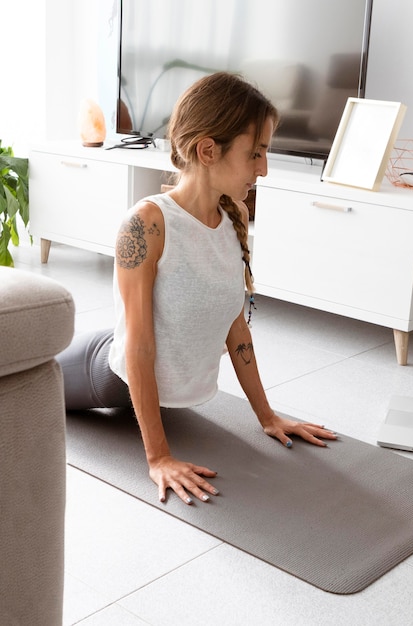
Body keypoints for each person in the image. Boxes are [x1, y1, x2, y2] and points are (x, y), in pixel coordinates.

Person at [58, 72, 337, 505]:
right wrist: (159, 458)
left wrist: (267, 417)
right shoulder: (148, 223)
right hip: (107, 377)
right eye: (256, 153)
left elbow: (236, 327)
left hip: (150, 377)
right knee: (23, 373)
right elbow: (137, 345)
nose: (264, 168)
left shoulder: (234, 217)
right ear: (208, 150)